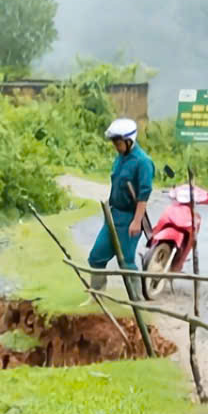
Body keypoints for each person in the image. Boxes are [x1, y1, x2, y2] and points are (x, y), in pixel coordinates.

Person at [88, 117, 153, 291]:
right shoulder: (120, 158)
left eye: (118, 143)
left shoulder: (143, 162)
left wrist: (137, 221)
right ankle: (97, 294)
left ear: (129, 141)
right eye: (114, 143)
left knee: (126, 262)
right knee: (96, 257)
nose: (116, 146)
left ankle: (137, 301)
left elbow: (144, 194)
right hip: (112, 215)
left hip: (129, 218)